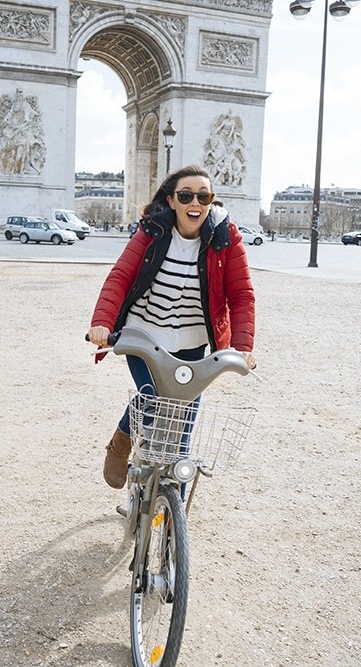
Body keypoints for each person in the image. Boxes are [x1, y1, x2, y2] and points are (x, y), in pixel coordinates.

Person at [87, 164, 257, 488]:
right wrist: (101, 323)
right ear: (172, 200)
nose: (195, 203)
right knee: (152, 398)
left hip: (193, 341)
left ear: (212, 201)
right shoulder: (152, 230)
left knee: (184, 423)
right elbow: (120, 276)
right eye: (186, 195)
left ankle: (173, 510)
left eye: (203, 196)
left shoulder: (226, 237)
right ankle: (121, 442)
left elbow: (241, 295)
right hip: (143, 334)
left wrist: (243, 347)